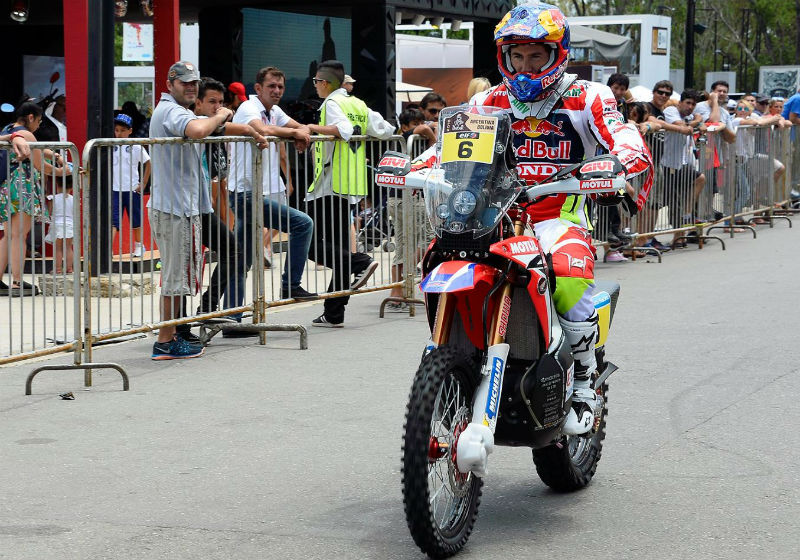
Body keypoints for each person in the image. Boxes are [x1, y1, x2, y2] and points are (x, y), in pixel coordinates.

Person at [470, 3, 652, 433]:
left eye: (536, 55)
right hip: (499, 215)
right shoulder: (488, 100)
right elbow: (452, 150)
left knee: (567, 273)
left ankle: (586, 379)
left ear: (557, 54)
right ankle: (455, 361)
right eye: (517, 56)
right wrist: (413, 165)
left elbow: (622, 133)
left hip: (560, 214)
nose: (524, 65)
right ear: (504, 56)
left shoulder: (588, 95)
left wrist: (621, 161)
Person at [148, 61, 267, 360]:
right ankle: (166, 341)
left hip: (184, 207)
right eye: (184, 82)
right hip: (175, 207)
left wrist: (250, 131)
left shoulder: (181, 112)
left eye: (194, 83)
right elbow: (200, 129)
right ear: (169, 83)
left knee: (183, 274)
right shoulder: (172, 112)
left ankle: (178, 330)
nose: (190, 87)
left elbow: (214, 127)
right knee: (176, 277)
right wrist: (223, 113)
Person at [227, 66, 317, 336]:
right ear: (258, 89)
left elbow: (295, 126)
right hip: (244, 194)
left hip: (254, 193)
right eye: (271, 87)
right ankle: (290, 284)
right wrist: (295, 135)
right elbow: (261, 129)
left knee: (239, 258)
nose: (276, 91)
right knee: (303, 224)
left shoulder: (274, 111)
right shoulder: (249, 108)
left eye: (280, 87)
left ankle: (230, 318)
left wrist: (302, 133)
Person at [305, 59, 395, 327]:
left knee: (310, 244)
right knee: (339, 250)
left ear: (323, 82)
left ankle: (361, 261)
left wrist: (311, 128)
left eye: (316, 83)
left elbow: (342, 130)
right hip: (350, 185)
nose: (316, 87)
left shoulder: (332, 104)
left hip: (329, 185)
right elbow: (386, 130)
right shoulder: (358, 105)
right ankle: (334, 312)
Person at [191, 77, 243, 318]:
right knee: (183, 269)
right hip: (183, 207)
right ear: (197, 103)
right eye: (212, 102)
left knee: (233, 250)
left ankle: (208, 308)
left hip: (201, 204)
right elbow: (235, 127)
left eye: (221, 102)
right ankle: (177, 328)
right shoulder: (197, 122)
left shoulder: (212, 123)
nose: (218, 107)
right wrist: (254, 131)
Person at [0, 102, 62, 296]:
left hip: (7, 187)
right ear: (31, 117)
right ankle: (17, 281)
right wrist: (62, 171)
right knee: (20, 235)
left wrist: (55, 155)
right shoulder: (26, 134)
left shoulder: (9, 130)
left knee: (8, 235)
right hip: (22, 187)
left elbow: (37, 150)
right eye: (39, 121)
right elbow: (38, 163)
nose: (38, 125)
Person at [660, 89, 707, 245]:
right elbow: (681, 126)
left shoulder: (688, 116)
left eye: (693, 104)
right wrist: (698, 121)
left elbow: (698, 123)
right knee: (673, 202)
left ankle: (687, 214)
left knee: (700, 178)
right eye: (688, 103)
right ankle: (677, 236)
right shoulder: (671, 110)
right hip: (667, 164)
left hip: (682, 164)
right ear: (680, 102)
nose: (691, 107)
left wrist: (699, 121)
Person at [112, 113, 151, 257]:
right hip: (115, 189)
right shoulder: (111, 145)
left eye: (123, 130)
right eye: (117, 130)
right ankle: (108, 249)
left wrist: (144, 183)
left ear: (130, 131)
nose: (119, 133)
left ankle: (139, 245)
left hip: (132, 188)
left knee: (135, 218)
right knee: (114, 220)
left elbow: (148, 163)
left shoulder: (135, 146)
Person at [45, 162, 74, 274]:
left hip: (57, 224)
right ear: (71, 186)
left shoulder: (53, 198)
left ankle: (57, 269)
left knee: (58, 248)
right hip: (70, 224)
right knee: (68, 247)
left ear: (57, 185)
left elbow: (50, 212)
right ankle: (69, 268)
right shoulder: (73, 199)